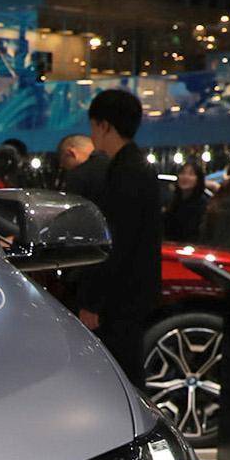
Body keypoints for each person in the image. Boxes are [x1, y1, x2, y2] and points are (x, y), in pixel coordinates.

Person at [73, 89, 163, 387]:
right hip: (130, 294)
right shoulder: (135, 166)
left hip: (120, 299)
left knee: (120, 378)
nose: (92, 134)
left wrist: (93, 301)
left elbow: (117, 242)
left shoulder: (126, 172)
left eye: (93, 126)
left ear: (105, 126)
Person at [164, 161, 209, 247]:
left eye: (191, 174)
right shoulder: (173, 201)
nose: (185, 177)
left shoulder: (202, 204)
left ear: (198, 179)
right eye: (182, 173)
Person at [54, 133, 104, 198]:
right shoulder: (114, 163)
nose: (65, 168)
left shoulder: (77, 176)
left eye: (64, 162)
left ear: (71, 153)